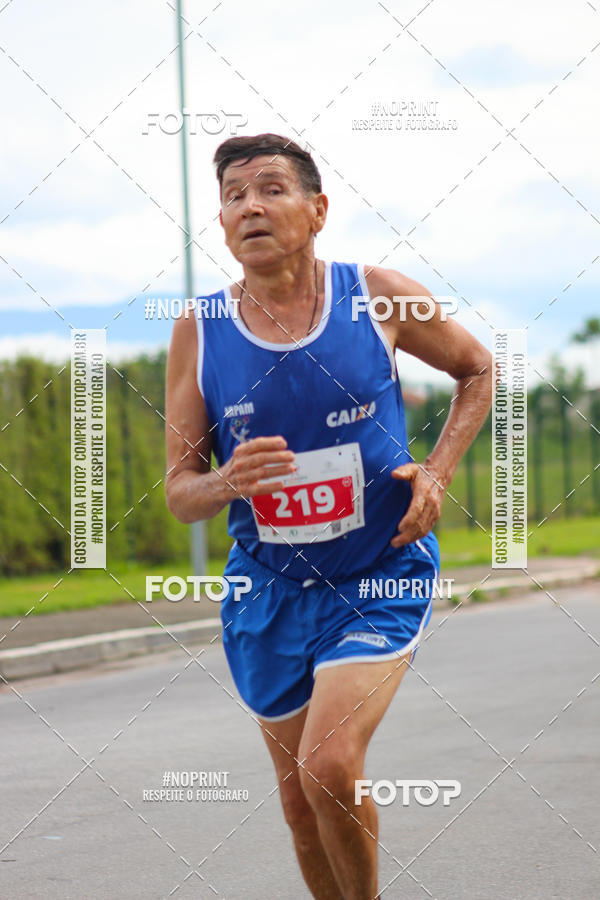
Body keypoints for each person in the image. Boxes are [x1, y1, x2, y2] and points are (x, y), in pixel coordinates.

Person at [165, 133, 492, 899]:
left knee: (329, 765)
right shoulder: (201, 330)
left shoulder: (377, 295)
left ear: (317, 211)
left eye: (271, 188)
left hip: (378, 573)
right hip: (269, 591)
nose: (251, 205)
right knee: (299, 802)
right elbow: (180, 491)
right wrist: (225, 484)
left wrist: (437, 473)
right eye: (234, 194)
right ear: (220, 223)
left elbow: (476, 368)